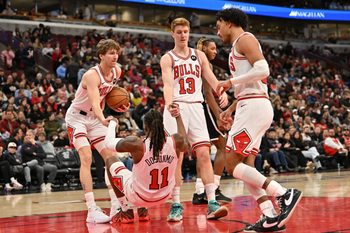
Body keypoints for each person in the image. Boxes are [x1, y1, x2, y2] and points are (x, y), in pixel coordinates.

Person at [216, 8, 302, 232]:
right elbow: (251, 84)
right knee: (246, 166)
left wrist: (230, 82)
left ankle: (283, 193)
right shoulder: (238, 46)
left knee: (231, 163)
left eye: (218, 26)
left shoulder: (245, 39)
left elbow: (263, 69)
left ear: (229, 23)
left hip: (254, 106)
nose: (217, 32)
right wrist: (232, 107)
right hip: (250, 104)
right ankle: (270, 216)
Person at [160, 17, 228, 221]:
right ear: (172, 34)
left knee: (205, 155)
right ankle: (176, 204)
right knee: (176, 158)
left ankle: (212, 202)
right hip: (177, 107)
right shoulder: (168, 58)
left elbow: (209, 76)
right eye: (179, 32)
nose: (182, 35)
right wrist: (170, 103)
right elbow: (168, 84)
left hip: (197, 107)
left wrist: (220, 90)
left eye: (185, 32)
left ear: (189, 33)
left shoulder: (199, 55)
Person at [65, 39, 129, 223]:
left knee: (110, 157)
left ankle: (117, 203)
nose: (115, 56)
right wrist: (103, 119)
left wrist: (121, 104)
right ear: (101, 55)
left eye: (116, 52)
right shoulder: (91, 75)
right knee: (86, 157)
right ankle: (91, 210)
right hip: (77, 118)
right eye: (110, 53)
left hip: (94, 118)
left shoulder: (117, 71)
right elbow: (94, 100)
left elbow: (109, 95)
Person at [104, 107, 188, 223]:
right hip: (164, 196)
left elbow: (108, 143)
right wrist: (178, 117)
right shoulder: (176, 141)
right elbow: (185, 142)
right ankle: (143, 211)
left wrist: (113, 122)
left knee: (110, 160)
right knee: (138, 173)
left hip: (139, 197)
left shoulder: (137, 144)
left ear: (145, 127)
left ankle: (125, 211)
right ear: (161, 124)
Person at [193, 37, 231, 204]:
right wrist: (219, 115)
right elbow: (208, 94)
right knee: (223, 146)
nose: (215, 51)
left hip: (196, 108)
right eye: (213, 48)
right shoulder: (204, 64)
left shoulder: (195, 63)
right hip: (204, 108)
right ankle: (214, 187)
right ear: (204, 49)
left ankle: (200, 191)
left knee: (204, 151)